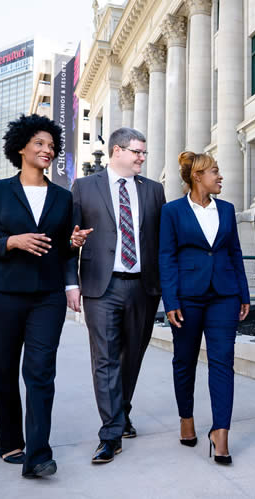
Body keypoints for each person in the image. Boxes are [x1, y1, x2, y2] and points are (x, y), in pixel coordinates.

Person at [0, 114, 91, 478]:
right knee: (4, 372)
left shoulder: (62, 197)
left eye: (51, 146)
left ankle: (38, 454)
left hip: (46, 297)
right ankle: (10, 442)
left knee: (40, 373)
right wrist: (12, 241)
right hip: (2, 295)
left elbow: (62, 251)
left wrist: (73, 244)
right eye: (39, 143)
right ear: (21, 147)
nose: (47, 150)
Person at [69, 127, 166, 464]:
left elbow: (162, 243)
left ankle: (121, 411)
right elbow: (71, 238)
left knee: (132, 356)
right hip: (101, 285)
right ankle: (110, 432)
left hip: (143, 285)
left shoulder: (154, 190)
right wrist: (71, 283)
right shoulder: (84, 186)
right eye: (137, 151)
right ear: (116, 151)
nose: (142, 157)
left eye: (143, 153)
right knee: (105, 357)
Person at [159, 151, 250, 465]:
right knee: (184, 360)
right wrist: (170, 301)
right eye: (214, 171)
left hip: (224, 295)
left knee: (223, 362)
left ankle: (221, 433)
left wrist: (244, 294)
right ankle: (186, 418)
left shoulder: (226, 209)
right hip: (187, 297)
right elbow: (166, 258)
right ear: (197, 176)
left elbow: (235, 253)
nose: (220, 176)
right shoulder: (172, 212)